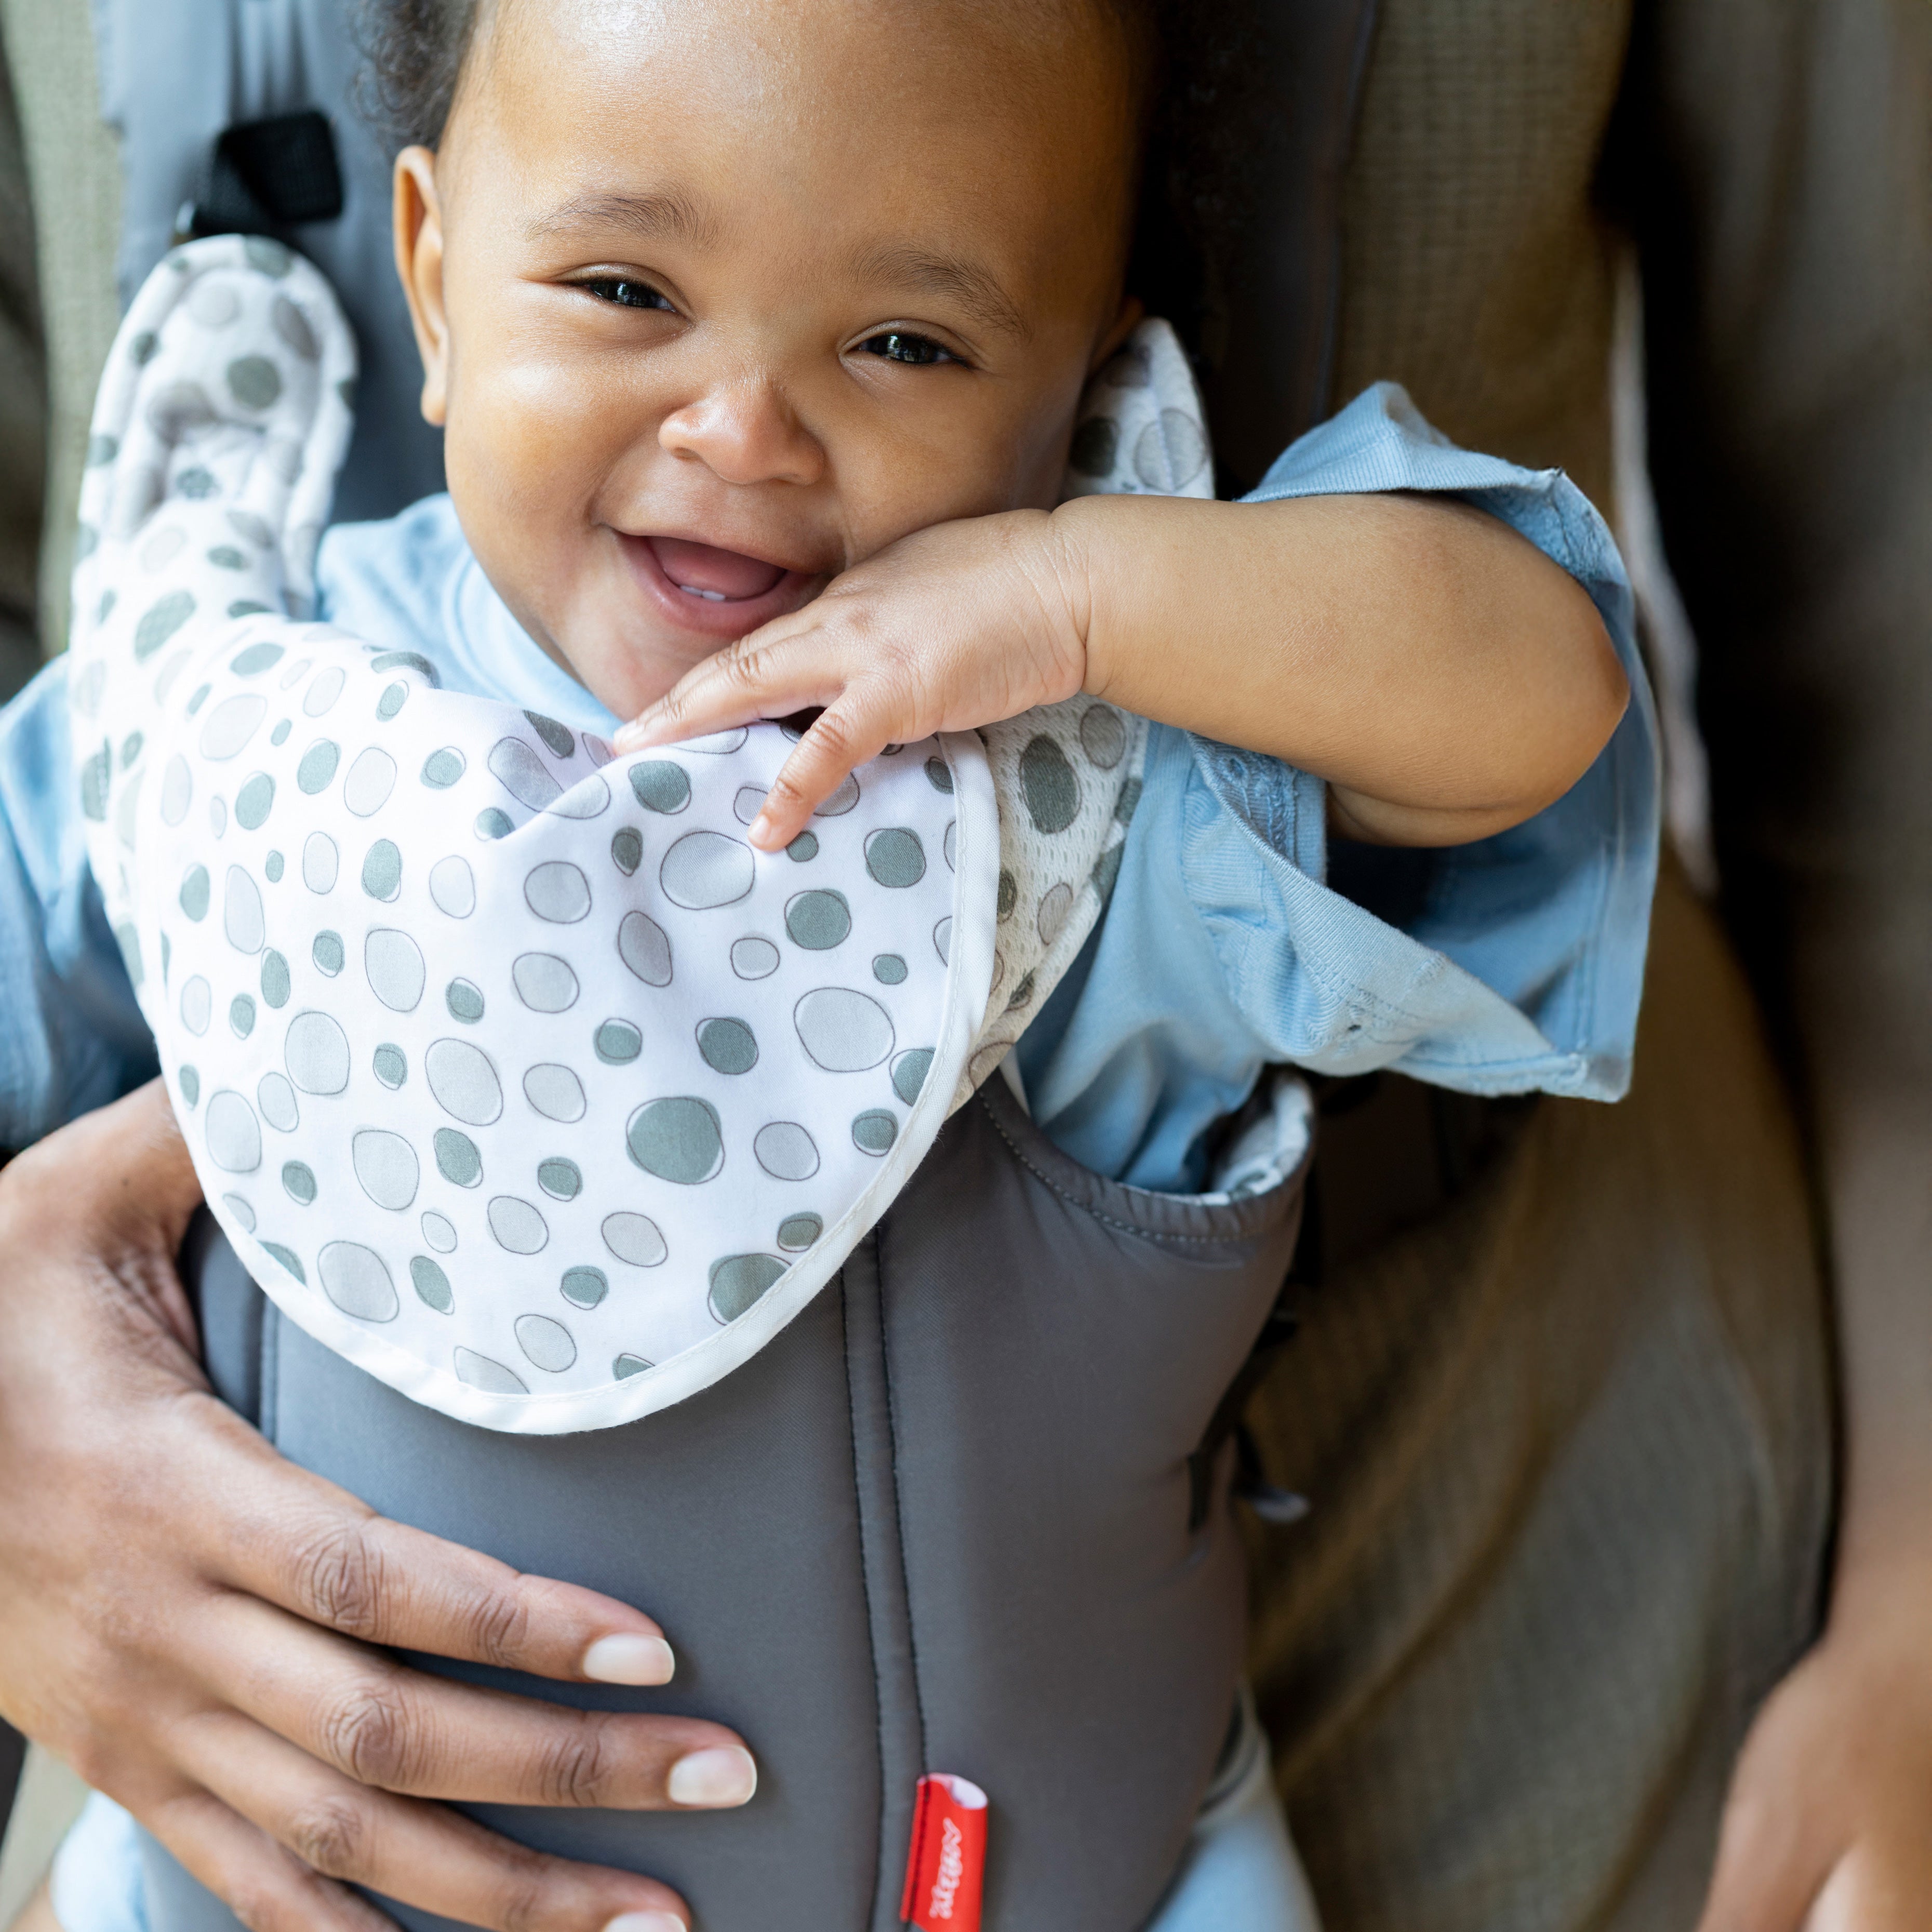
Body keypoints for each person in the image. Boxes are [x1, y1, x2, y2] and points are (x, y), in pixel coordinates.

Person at [2, 0, 1924, 1928]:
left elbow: (1546, 692)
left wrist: (1097, 597)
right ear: (432, 272)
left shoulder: (1067, 809)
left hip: (1496, 1647)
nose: (742, 429)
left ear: (1087, 369)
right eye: (618, 285)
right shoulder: (236, 730)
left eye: (906, 342)